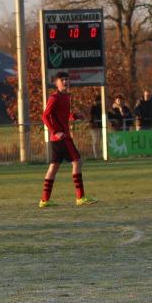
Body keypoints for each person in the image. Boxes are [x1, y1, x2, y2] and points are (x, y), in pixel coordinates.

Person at [39, 72, 96, 207]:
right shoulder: (54, 97)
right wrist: (55, 132)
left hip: (59, 137)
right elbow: (45, 116)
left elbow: (63, 117)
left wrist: (74, 116)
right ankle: (80, 197)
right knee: (77, 161)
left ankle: (44, 200)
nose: (65, 82)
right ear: (56, 83)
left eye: (66, 79)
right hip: (62, 137)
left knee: (53, 167)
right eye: (62, 80)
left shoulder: (66, 97)